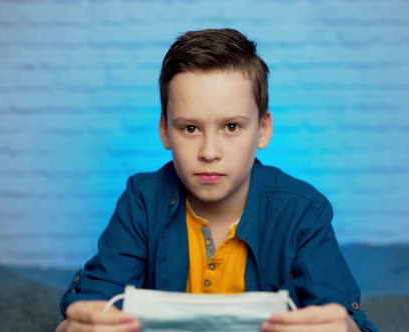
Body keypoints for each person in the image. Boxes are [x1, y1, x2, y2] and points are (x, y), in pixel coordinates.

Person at [56, 28, 378, 332]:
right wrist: (73, 325)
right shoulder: (142, 200)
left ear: (263, 129)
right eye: (190, 128)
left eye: (232, 127)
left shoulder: (303, 212)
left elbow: (342, 317)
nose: (209, 152)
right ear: (165, 131)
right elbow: (95, 300)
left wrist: (344, 326)